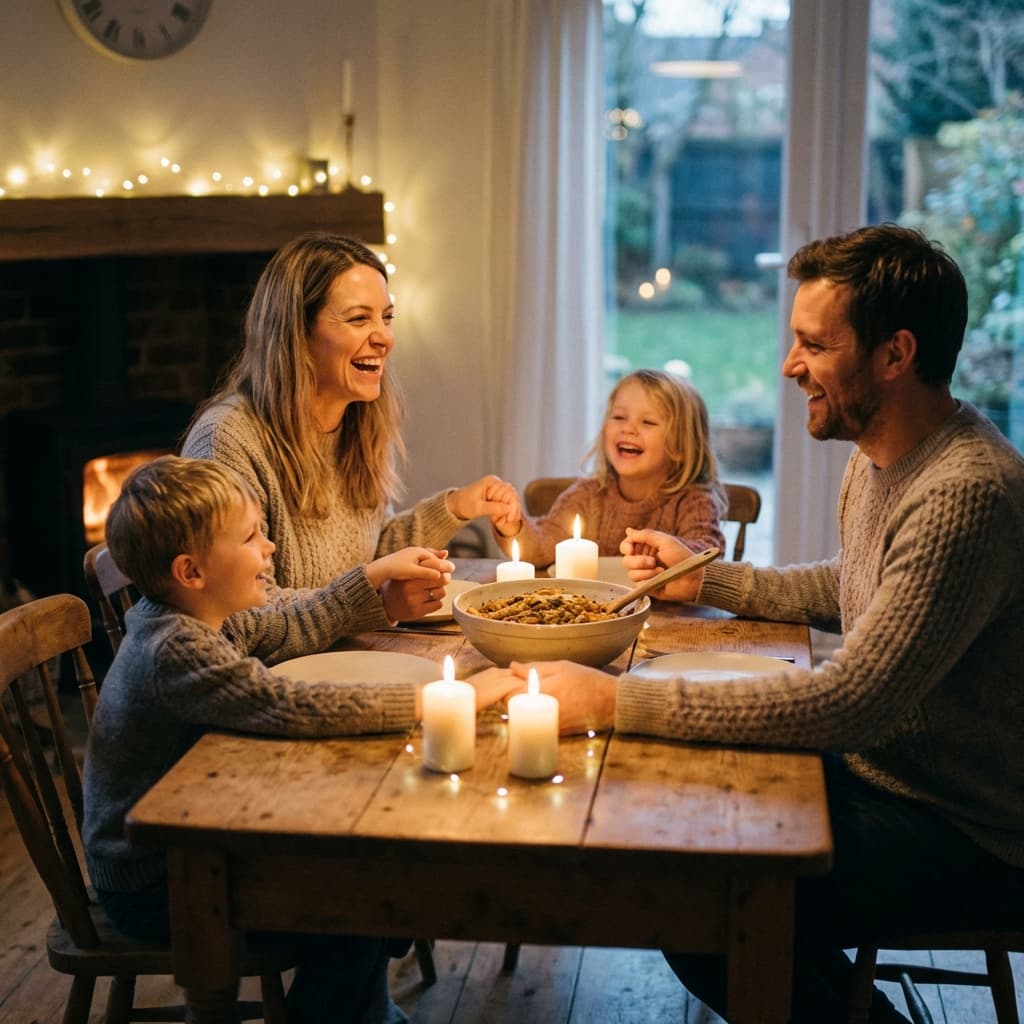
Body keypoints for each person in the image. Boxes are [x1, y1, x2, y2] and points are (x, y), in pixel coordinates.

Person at [477, 224, 1024, 1022]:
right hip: (886, 777)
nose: (788, 365)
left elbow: (850, 704)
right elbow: (855, 585)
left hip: (964, 826)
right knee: (678, 825)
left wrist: (612, 700)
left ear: (894, 355)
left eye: (813, 344)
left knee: (697, 893)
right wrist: (711, 578)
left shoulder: (965, 491)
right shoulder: (884, 458)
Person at [82, 455, 503, 1023]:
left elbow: (284, 625)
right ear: (191, 572)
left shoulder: (205, 616)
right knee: (360, 903)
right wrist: (440, 701)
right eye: (253, 537)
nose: (271, 548)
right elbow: (288, 705)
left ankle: (363, 1008)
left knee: (370, 873)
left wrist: (372, 582)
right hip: (157, 880)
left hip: (198, 837)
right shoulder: (175, 649)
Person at [182, 231, 520, 598]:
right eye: (359, 319)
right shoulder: (226, 441)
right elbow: (245, 611)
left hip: (344, 649)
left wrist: (455, 506)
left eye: (386, 317)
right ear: (298, 333)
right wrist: (378, 603)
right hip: (268, 659)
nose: (384, 338)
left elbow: (367, 555)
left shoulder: (359, 421)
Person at [495, 368, 726, 568]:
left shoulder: (694, 502)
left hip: (667, 616)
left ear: (681, 447)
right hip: (593, 614)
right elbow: (542, 545)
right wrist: (513, 528)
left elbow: (709, 555)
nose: (629, 429)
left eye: (648, 422)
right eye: (619, 417)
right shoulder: (587, 496)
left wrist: (663, 553)